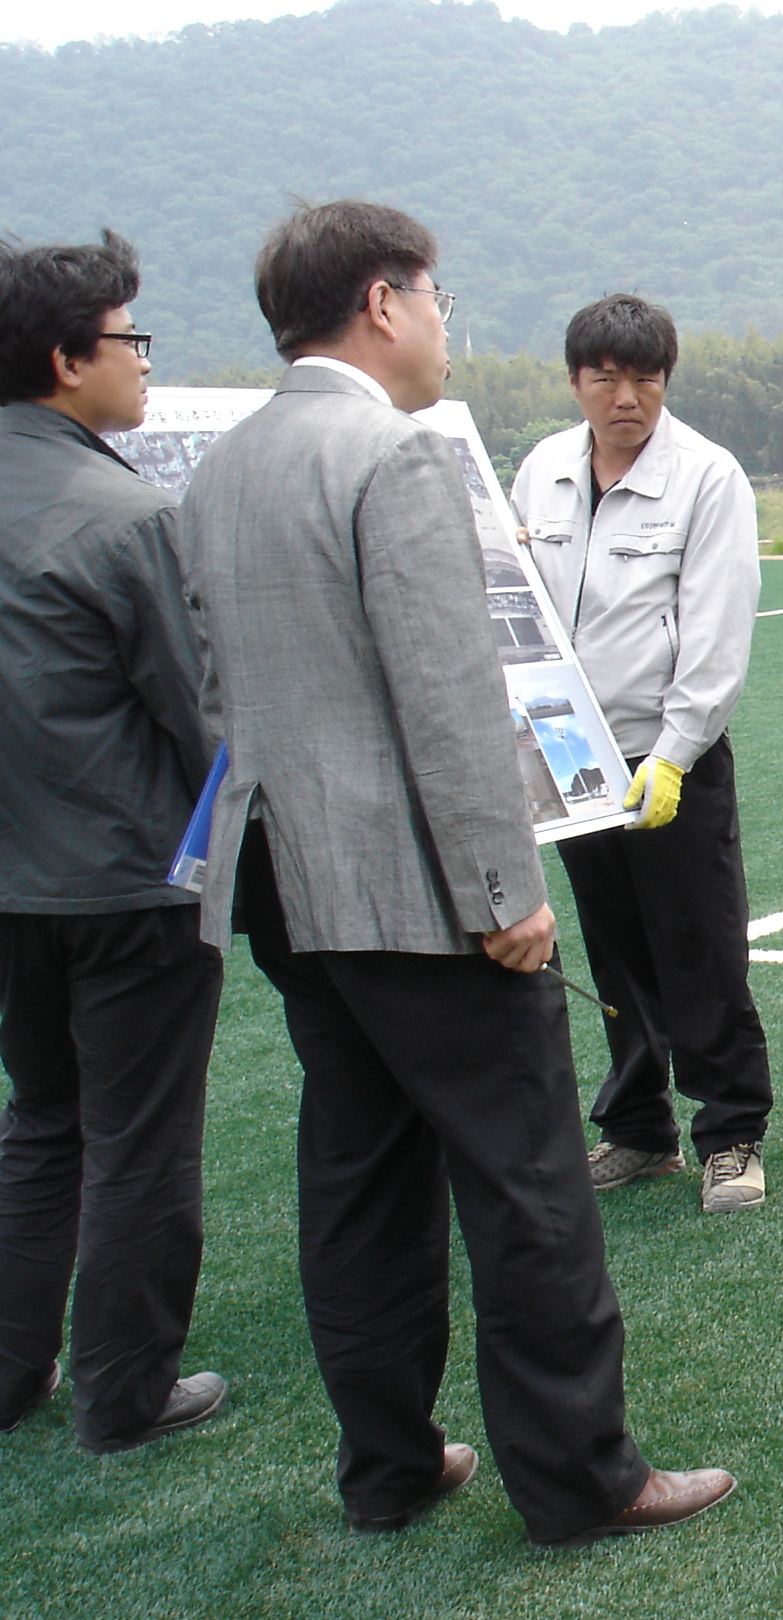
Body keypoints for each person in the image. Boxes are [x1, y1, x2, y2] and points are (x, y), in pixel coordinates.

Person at [180, 200, 731, 1542]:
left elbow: (207, 688)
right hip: (423, 893)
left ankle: (387, 1464)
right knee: (530, 1186)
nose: (442, 323)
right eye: (434, 298)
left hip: (285, 884)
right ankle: (582, 1479)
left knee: (358, 1176)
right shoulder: (399, 458)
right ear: (383, 301)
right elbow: (449, 701)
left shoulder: (221, 464)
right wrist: (506, 895)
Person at [0, 232, 228, 1451]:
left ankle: (10, 1368)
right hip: (127, 887)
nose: (144, 361)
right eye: (130, 337)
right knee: (138, 1138)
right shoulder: (121, 512)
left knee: (42, 1120)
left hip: (15, 893)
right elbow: (202, 715)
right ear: (65, 355)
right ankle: (126, 1390)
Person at [512, 294, 771, 1215]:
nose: (627, 397)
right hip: (571, 759)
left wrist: (675, 751)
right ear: (576, 379)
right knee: (614, 950)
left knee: (699, 948)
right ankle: (636, 1129)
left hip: (667, 760)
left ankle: (731, 1133)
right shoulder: (542, 470)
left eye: (646, 378)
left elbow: (716, 629)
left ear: (666, 380)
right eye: (606, 378)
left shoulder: (706, 476)